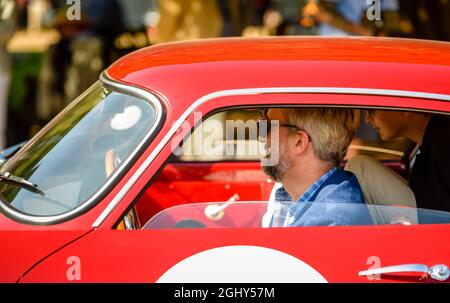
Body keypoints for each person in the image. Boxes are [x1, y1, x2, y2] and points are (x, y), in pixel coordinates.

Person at [260, 108, 368, 227]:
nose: (261, 137)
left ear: (299, 142)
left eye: (268, 126)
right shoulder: (287, 191)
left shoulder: (329, 222)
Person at [365, 110, 450, 213]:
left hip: (431, 224)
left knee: (359, 166)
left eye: (372, 110)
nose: (367, 119)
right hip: (427, 217)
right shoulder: (426, 144)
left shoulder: (444, 144)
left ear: (404, 110)